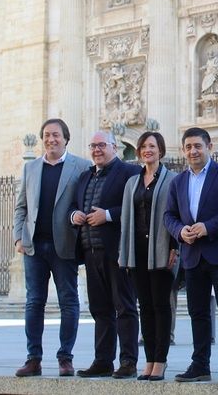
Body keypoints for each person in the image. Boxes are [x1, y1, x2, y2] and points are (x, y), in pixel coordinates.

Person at [164, 127, 218, 384]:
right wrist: (180, 232)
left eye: (198, 146)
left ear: (209, 147)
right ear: (183, 150)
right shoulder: (177, 182)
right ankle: (200, 364)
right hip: (192, 255)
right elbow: (169, 216)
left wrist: (209, 226)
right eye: (188, 147)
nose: (193, 151)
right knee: (197, 313)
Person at [13, 118, 91, 378]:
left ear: (66, 139)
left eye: (56, 135)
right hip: (34, 246)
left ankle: (65, 357)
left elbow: (86, 201)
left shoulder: (81, 166)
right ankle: (33, 358)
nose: (51, 139)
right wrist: (17, 238)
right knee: (34, 302)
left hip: (64, 245)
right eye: (46, 135)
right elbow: (21, 206)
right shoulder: (31, 168)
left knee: (69, 301)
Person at [70, 130, 140, 378]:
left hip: (117, 251)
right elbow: (74, 206)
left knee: (125, 306)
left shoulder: (130, 173)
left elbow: (139, 205)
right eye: (93, 146)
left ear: (115, 147)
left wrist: (108, 215)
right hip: (90, 251)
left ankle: (128, 361)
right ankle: (103, 360)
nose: (97, 150)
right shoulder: (85, 177)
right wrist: (74, 216)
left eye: (101, 145)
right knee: (100, 309)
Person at [118, 131, 178, 381]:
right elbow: (125, 219)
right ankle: (149, 359)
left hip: (162, 250)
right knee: (145, 307)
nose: (146, 150)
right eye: (143, 146)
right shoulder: (132, 182)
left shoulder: (173, 180)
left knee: (161, 306)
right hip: (138, 252)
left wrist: (175, 247)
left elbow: (177, 213)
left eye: (152, 146)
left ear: (161, 150)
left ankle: (160, 361)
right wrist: (125, 253)